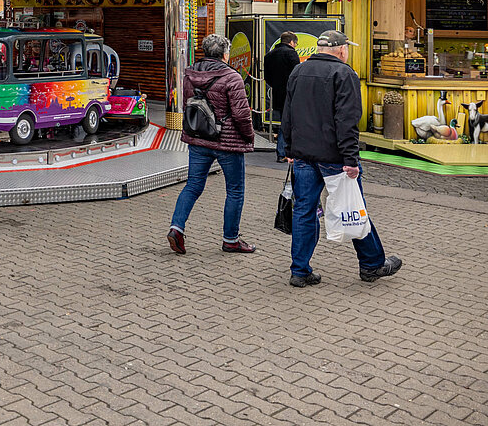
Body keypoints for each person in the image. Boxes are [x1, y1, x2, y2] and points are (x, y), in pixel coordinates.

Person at [281, 30, 402, 288]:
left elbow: (288, 113)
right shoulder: (344, 74)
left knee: (304, 211)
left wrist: (288, 149)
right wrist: (351, 159)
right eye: (347, 47)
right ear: (341, 49)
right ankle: (372, 264)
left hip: (303, 154)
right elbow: (347, 120)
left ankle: (299, 270)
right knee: (354, 208)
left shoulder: (298, 71)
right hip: (334, 157)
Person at [167, 33, 257, 256]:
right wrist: (249, 136)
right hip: (227, 142)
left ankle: (176, 228)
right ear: (225, 54)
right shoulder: (232, 77)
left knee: (193, 185)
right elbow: (241, 114)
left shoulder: (190, 73)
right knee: (235, 190)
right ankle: (231, 240)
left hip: (198, 137)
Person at [266, 31, 301, 162]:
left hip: (277, 94)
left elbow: (267, 77)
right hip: (292, 93)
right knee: (291, 124)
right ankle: (285, 151)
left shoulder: (269, 55)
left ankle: (282, 152)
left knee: (283, 122)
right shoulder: (291, 53)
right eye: (295, 44)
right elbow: (297, 73)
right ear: (292, 42)